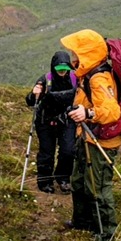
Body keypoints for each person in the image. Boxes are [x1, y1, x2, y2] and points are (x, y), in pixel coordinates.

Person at [59, 29, 121, 241]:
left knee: (98, 187)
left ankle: (106, 234)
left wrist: (89, 113)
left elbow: (112, 112)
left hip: (100, 142)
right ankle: (82, 222)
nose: (74, 58)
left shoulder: (99, 78)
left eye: (78, 53)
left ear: (89, 55)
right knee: (79, 181)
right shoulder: (88, 73)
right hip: (85, 137)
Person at [24, 49, 78, 193]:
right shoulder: (45, 80)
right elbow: (30, 101)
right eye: (59, 69)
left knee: (68, 151)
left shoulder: (74, 79)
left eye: (65, 69)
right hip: (45, 121)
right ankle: (45, 181)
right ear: (53, 67)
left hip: (66, 120)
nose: (62, 72)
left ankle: (63, 178)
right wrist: (33, 94)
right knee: (47, 152)